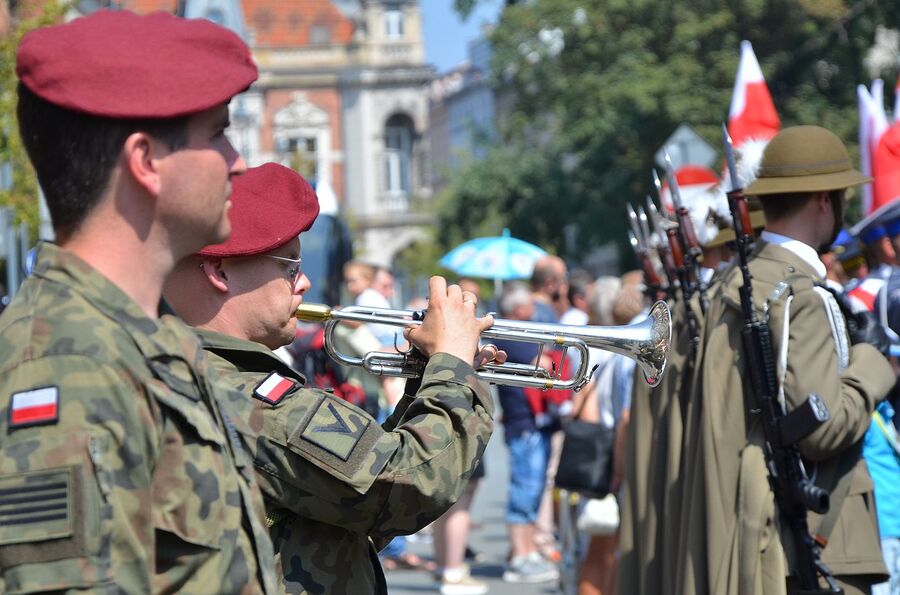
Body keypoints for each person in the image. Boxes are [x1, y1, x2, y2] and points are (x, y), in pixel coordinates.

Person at [0, 10, 287, 593]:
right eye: (217, 134)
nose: (236, 162)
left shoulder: (151, 335)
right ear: (146, 162)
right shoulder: (67, 362)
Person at [162, 162, 498, 595]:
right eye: (288, 266)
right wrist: (452, 364)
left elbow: (346, 512)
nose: (303, 282)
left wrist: (427, 376)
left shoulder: (185, 369)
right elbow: (406, 489)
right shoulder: (251, 397)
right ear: (220, 271)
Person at [678, 125, 895, 595]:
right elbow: (822, 428)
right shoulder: (802, 295)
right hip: (819, 541)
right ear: (824, 199)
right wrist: (875, 365)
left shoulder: (741, 280)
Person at [492, 282, 560, 584]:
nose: (534, 310)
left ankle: (527, 550)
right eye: (529, 306)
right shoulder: (513, 335)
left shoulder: (518, 333)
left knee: (531, 490)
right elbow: (545, 363)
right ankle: (520, 556)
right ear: (519, 309)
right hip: (525, 424)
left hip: (531, 423)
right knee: (525, 490)